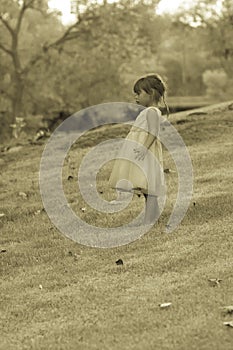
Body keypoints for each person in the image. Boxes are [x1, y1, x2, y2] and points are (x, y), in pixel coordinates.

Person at [109, 74, 169, 225]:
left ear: (151, 93)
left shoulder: (151, 112)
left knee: (149, 189)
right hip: (142, 151)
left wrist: (143, 149)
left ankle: (149, 220)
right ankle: (153, 218)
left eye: (139, 93)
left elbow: (153, 132)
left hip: (146, 152)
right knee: (148, 189)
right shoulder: (149, 111)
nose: (136, 97)